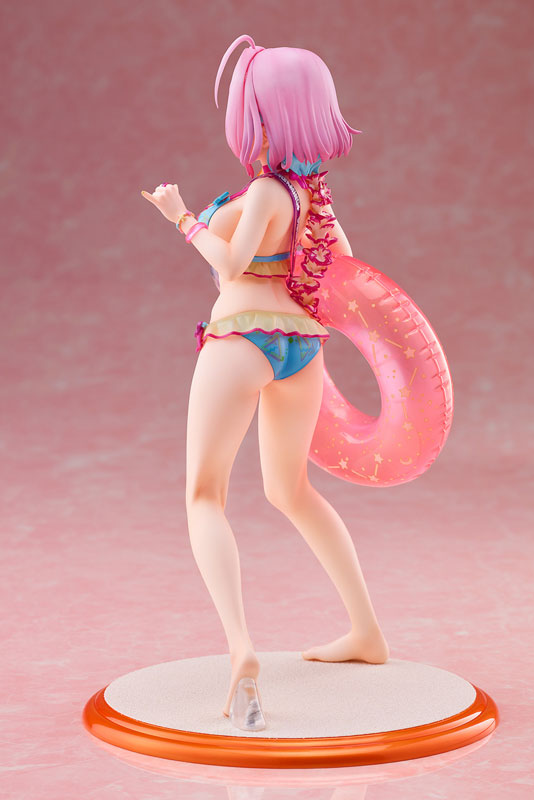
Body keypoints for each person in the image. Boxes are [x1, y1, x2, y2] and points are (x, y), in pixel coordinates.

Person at [141, 34, 390, 733]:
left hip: (242, 338)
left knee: (204, 495)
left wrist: (180, 216)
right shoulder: (316, 194)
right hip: (300, 349)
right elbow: (344, 267)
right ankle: (366, 630)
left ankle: (241, 649)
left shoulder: (265, 191)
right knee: (292, 490)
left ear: (259, 115)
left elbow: (230, 263)